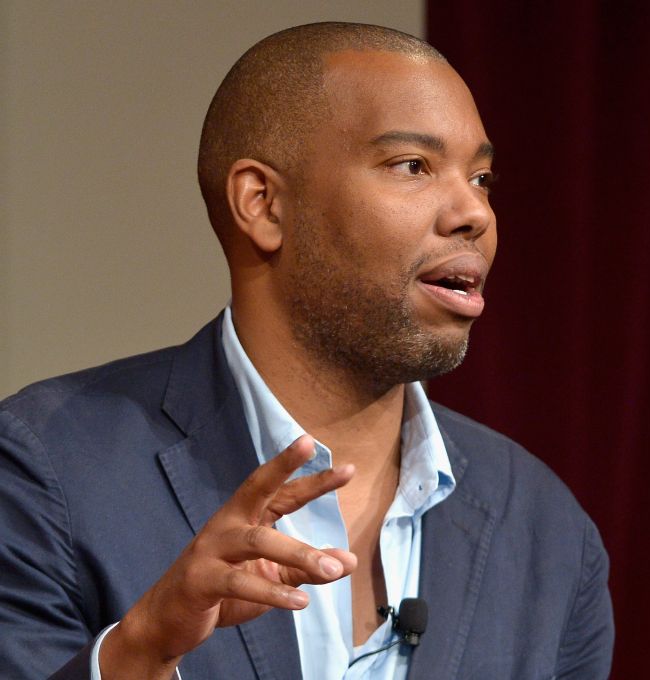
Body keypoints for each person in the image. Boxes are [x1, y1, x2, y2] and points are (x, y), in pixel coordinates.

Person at [0, 22, 613, 680]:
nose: (476, 213)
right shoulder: (49, 467)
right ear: (263, 204)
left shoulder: (546, 531)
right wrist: (139, 653)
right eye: (413, 165)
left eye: (483, 176)